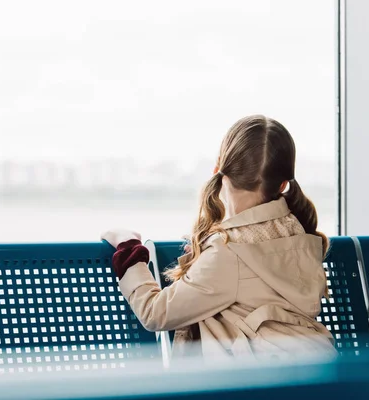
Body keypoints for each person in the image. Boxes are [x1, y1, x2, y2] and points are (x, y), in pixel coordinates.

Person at [101, 115, 338, 363]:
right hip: (315, 371)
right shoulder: (299, 232)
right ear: (282, 185)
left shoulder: (228, 251)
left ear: (219, 168)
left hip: (256, 383)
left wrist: (129, 250)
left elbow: (155, 313)